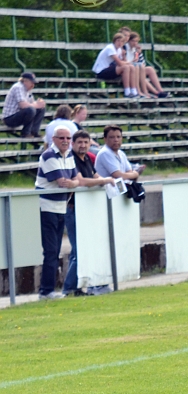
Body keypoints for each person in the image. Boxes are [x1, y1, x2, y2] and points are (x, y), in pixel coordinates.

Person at [63, 130, 115, 296]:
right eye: (80, 142)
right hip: (73, 210)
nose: (83, 145)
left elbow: (95, 176)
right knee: (79, 250)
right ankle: (70, 288)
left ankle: (77, 287)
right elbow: (81, 181)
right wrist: (105, 180)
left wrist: (103, 181)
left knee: (83, 249)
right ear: (73, 143)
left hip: (85, 210)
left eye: (86, 142)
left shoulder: (86, 159)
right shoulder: (71, 159)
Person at [35, 126, 81, 299]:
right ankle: (46, 291)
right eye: (61, 138)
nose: (65, 141)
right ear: (53, 139)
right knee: (51, 250)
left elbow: (75, 180)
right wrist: (73, 182)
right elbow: (63, 181)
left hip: (60, 207)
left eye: (68, 138)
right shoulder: (48, 155)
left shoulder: (68, 155)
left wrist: (73, 182)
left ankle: (48, 289)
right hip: (47, 207)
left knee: (55, 250)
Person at [124, 31, 170, 99]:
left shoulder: (135, 49)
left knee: (150, 69)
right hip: (130, 70)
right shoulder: (125, 48)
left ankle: (160, 91)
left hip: (137, 69)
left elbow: (142, 62)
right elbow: (126, 62)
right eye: (133, 41)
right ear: (129, 41)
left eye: (137, 41)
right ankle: (152, 92)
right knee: (140, 73)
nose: (135, 43)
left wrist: (139, 54)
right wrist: (134, 60)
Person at [2, 72, 46, 138]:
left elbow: (32, 104)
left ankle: (34, 132)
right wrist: (36, 105)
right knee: (31, 110)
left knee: (40, 109)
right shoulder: (18, 87)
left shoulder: (28, 90)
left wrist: (39, 104)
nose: (33, 84)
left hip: (19, 115)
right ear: (25, 81)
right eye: (32, 82)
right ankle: (25, 133)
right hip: (10, 118)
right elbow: (23, 105)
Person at [93, 33, 136, 98]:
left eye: (122, 41)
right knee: (126, 67)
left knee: (131, 67)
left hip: (109, 69)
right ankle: (127, 92)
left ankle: (133, 90)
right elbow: (120, 63)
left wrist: (123, 55)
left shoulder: (119, 50)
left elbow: (124, 61)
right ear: (114, 41)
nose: (120, 43)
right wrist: (128, 62)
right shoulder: (110, 48)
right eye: (118, 40)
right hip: (101, 71)